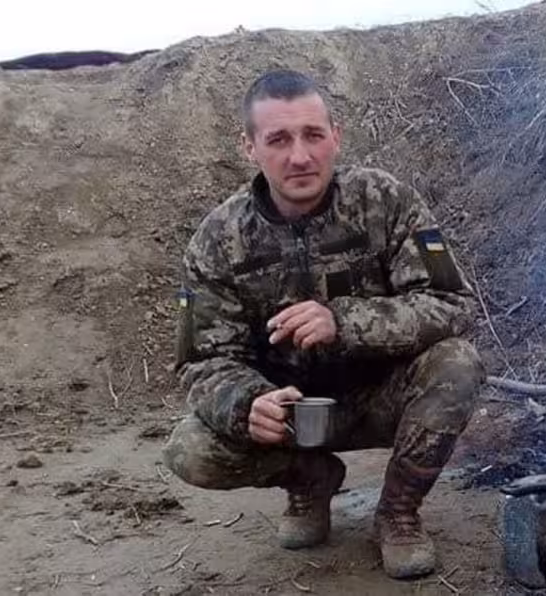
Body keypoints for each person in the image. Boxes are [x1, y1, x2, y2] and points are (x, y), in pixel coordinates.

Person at [162, 69, 485, 579]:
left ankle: (397, 513)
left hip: (382, 398)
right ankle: (310, 480)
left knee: (457, 364)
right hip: (291, 418)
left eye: (313, 135)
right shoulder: (218, 239)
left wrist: (345, 321)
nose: (300, 156)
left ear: (335, 135)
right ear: (249, 147)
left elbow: (451, 302)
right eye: (278, 139)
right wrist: (247, 404)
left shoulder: (386, 201)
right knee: (190, 449)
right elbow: (202, 359)